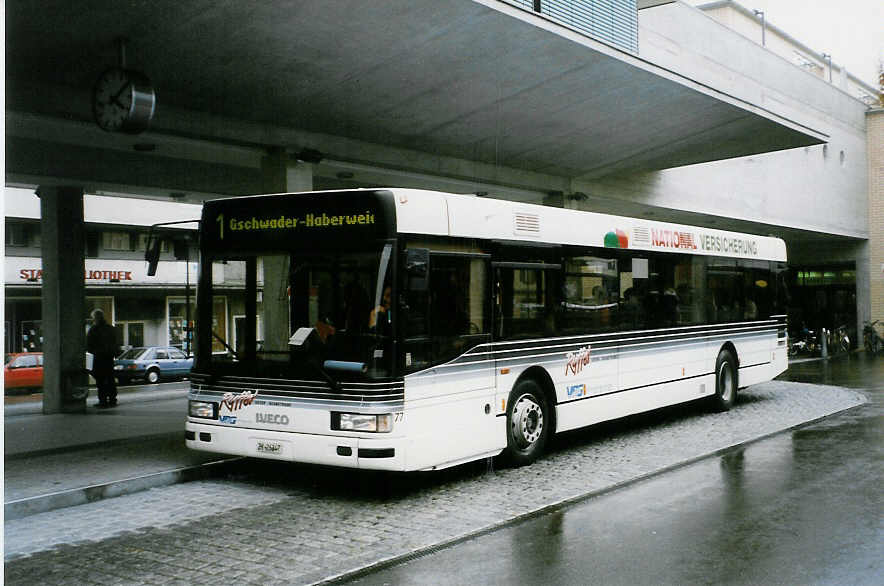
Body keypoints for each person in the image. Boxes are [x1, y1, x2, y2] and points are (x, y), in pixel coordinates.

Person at [87, 309, 119, 408]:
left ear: (95, 318)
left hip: (99, 358)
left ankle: (103, 401)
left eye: (93, 318)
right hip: (109, 358)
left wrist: (93, 352)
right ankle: (113, 399)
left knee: (100, 381)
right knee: (110, 379)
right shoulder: (111, 328)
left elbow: (88, 344)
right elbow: (116, 343)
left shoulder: (94, 329)